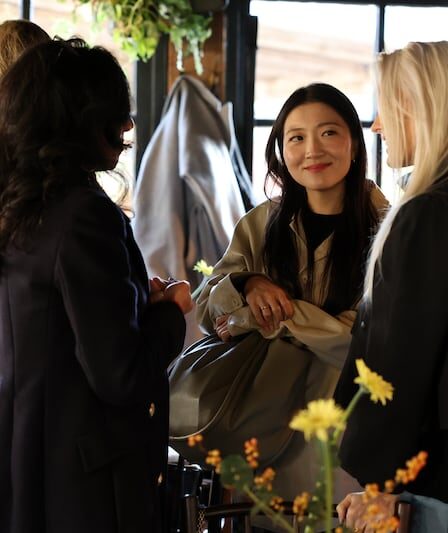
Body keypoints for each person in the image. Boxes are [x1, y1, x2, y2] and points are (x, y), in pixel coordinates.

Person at [0, 38, 192, 533]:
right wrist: (168, 311)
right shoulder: (84, 216)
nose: (128, 126)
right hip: (83, 483)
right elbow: (120, 376)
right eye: (117, 112)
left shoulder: (18, 207)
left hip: (24, 453)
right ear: (81, 120)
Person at [194, 83, 389, 504]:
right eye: (296, 137)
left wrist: (272, 316)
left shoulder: (390, 228)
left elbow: (368, 341)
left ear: (354, 143)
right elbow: (208, 312)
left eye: (328, 133)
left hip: (351, 439)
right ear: (282, 150)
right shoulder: (261, 223)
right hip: (265, 433)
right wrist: (247, 284)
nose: (312, 150)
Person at [335, 41, 448, 533]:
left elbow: (401, 359)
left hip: (432, 482)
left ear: (421, 107)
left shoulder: (427, 214)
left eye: (386, 106)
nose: (376, 125)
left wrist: (381, 485)